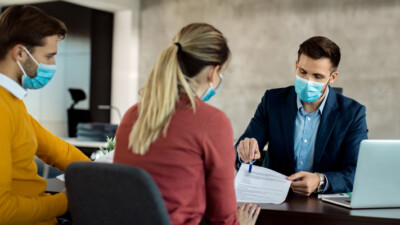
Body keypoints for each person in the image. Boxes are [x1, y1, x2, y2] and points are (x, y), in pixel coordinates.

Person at [114, 23, 260, 225]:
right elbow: (222, 218)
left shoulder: (132, 114)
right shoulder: (213, 122)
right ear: (213, 72)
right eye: (221, 72)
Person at [236, 36, 368, 196]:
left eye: (317, 76)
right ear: (296, 66)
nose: (307, 81)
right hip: (274, 201)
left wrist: (320, 180)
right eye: (303, 72)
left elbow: (356, 172)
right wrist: (244, 150)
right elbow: (243, 148)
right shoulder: (272, 101)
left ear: (332, 78)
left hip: (324, 205)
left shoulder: (353, 113)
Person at [0, 5, 90, 225]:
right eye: (49, 56)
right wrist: (64, 201)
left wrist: (97, 174)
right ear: (20, 53)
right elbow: (3, 212)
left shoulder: (13, 102)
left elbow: (58, 150)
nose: (53, 65)